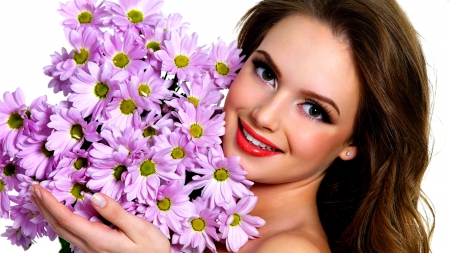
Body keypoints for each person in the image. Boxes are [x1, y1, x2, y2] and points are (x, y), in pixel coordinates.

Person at [29, 0, 434, 252]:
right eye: (265, 72)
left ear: (354, 142)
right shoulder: (182, 191)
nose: (264, 116)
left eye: (314, 109)